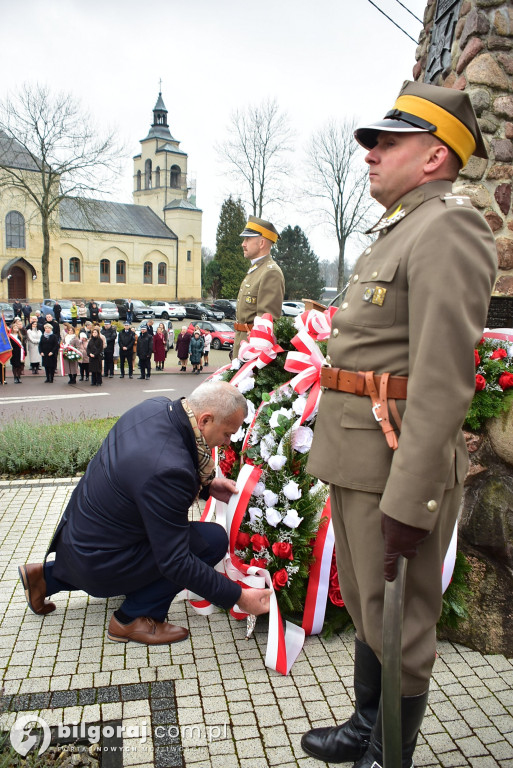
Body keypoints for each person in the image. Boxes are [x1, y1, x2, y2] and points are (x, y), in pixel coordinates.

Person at [301, 81, 497, 768]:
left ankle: (389, 753)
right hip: (360, 458)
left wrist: (412, 499)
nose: (370, 154)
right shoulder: (400, 228)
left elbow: (442, 379)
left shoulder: (448, 227)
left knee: (402, 618)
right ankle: (366, 726)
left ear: (435, 156)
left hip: (395, 467)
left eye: (387, 142)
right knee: (367, 603)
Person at [17, 382, 271, 644]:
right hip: (99, 564)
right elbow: (176, 561)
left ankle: (45, 578)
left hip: (79, 543)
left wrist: (207, 486)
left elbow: (141, 479)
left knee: (160, 541)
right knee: (211, 541)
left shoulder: (156, 407)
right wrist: (239, 597)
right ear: (205, 420)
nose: (227, 442)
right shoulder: (170, 469)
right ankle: (134, 618)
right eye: (227, 433)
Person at [233, 216, 285, 356]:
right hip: (242, 346)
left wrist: (252, 355)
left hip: (253, 352)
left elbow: (266, 325)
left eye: (247, 239)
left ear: (262, 243)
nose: (243, 244)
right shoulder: (257, 270)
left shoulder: (270, 272)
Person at [9, 319, 26, 383]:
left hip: (20, 352)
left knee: (19, 365)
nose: (16, 329)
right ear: (12, 329)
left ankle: (19, 377)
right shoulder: (10, 336)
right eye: (14, 328)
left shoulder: (20, 336)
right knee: (14, 365)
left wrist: (24, 351)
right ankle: (15, 377)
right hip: (13, 352)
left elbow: (23, 344)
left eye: (17, 328)